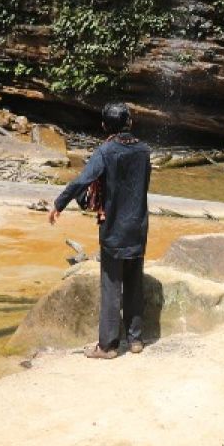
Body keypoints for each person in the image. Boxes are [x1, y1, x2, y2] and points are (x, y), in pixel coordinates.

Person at [49, 102, 152, 359]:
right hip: (138, 226)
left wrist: (59, 204)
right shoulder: (144, 150)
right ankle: (136, 339)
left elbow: (82, 180)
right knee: (134, 283)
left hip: (114, 228)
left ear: (104, 126)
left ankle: (107, 346)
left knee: (111, 286)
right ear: (130, 122)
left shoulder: (105, 151)